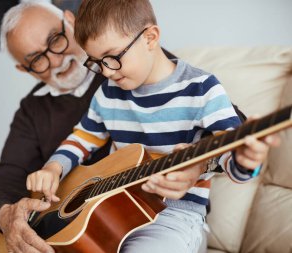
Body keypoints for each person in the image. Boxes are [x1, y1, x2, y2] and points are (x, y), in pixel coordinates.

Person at [0, 1, 222, 253]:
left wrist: (199, 165)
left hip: (151, 214)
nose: (57, 61)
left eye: (55, 40)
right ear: (26, 69)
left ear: (70, 21)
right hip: (65, 216)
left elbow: (227, 131)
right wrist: (8, 215)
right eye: (37, 59)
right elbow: (8, 175)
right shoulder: (34, 108)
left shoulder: (128, 68)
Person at [25, 1, 281, 253]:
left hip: (174, 220)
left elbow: (229, 156)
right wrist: (53, 167)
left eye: (112, 57)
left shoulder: (202, 89)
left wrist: (245, 161)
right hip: (110, 212)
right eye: (96, 61)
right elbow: (83, 137)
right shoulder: (108, 94)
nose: (106, 72)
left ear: (150, 37)